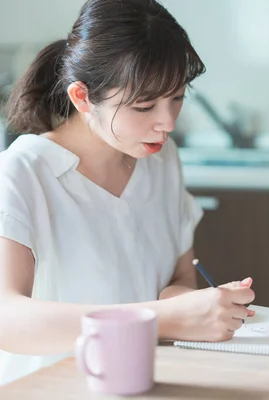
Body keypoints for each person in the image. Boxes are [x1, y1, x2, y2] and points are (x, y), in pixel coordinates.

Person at [0, 0, 254, 385]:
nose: (166, 123)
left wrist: (195, 306)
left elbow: (179, 276)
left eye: (177, 98)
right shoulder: (25, 171)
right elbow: (8, 319)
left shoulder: (162, 159)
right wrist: (166, 318)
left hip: (144, 384)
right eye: (144, 106)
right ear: (82, 98)